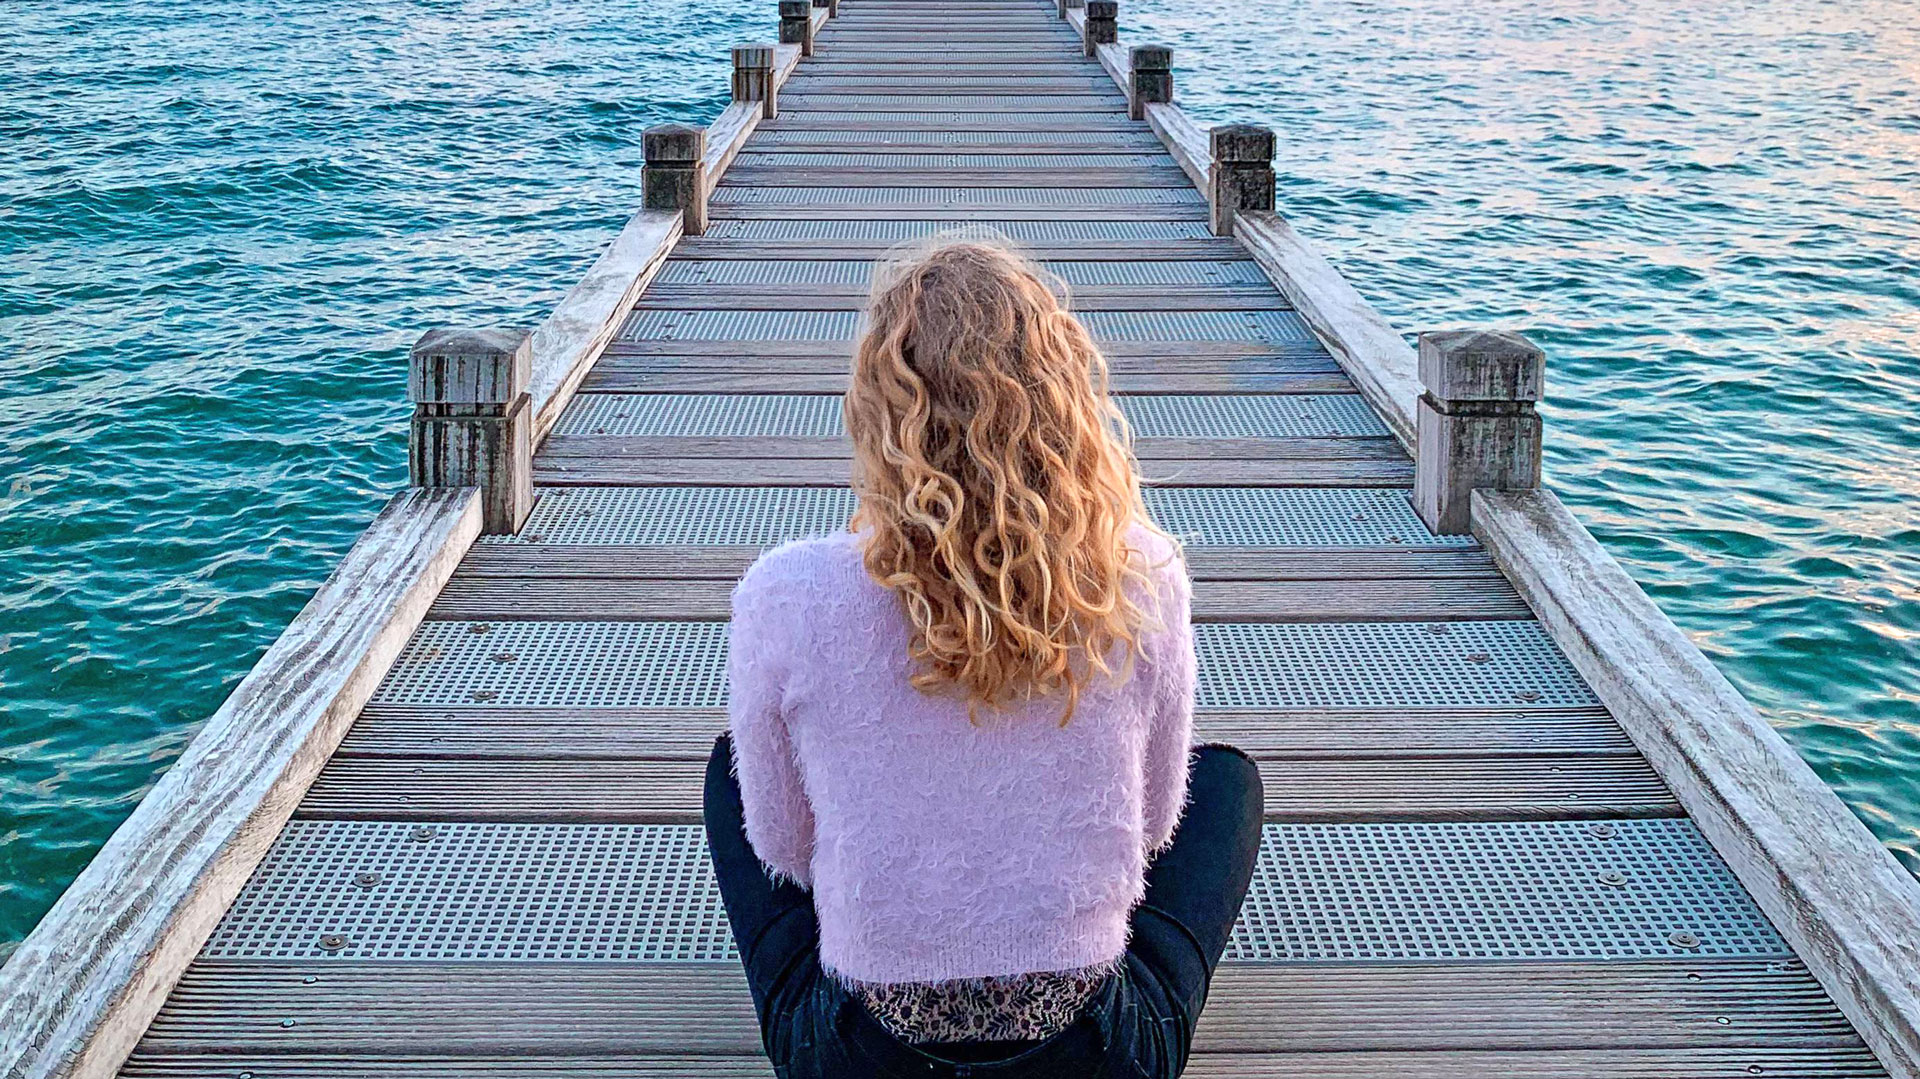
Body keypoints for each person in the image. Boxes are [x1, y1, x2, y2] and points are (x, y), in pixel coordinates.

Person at [703, 235, 1264, 1078]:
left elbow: (784, 850)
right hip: (1091, 1058)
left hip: (863, 1059)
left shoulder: (785, 595)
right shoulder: (1144, 576)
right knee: (1226, 785)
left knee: (731, 772)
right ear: (1066, 400)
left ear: (878, 414)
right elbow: (1150, 833)